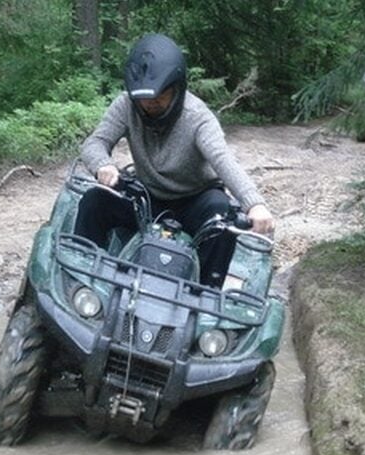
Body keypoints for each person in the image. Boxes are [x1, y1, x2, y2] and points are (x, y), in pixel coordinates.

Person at [74, 33, 275, 288]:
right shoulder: (126, 105)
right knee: (95, 199)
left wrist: (254, 204)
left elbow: (224, 160)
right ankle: (81, 278)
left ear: (177, 88)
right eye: (144, 99)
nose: (150, 105)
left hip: (195, 198)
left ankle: (203, 296)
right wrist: (103, 164)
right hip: (145, 195)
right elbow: (94, 143)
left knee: (223, 218)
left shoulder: (197, 116)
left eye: (159, 98)